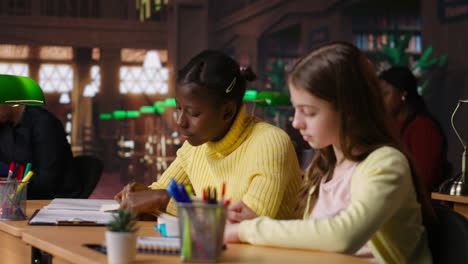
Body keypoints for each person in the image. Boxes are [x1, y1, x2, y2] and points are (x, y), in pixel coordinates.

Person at [224, 42, 434, 263]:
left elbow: (343, 236)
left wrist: (248, 230)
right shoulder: (327, 166)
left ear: (349, 110)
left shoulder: (386, 163)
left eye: (309, 112)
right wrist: (258, 220)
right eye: (296, 109)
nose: (296, 122)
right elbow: (319, 234)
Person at [115, 50, 302, 222]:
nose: (180, 121)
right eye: (178, 108)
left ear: (227, 112)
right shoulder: (195, 146)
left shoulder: (269, 143)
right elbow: (161, 192)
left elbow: (247, 220)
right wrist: (141, 194)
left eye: (193, 113)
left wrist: (163, 200)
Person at [379, 66, 448, 192]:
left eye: (385, 94)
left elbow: (425, 178)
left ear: (403, 94)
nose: (381, 101)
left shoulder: (423, 127)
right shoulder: (391, 126)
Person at [0, 105, 80, 199]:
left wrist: (7, 182)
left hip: (52, 200)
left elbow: (47, 181)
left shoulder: (44, 122)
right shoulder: (4, 122)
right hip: (15, 198)